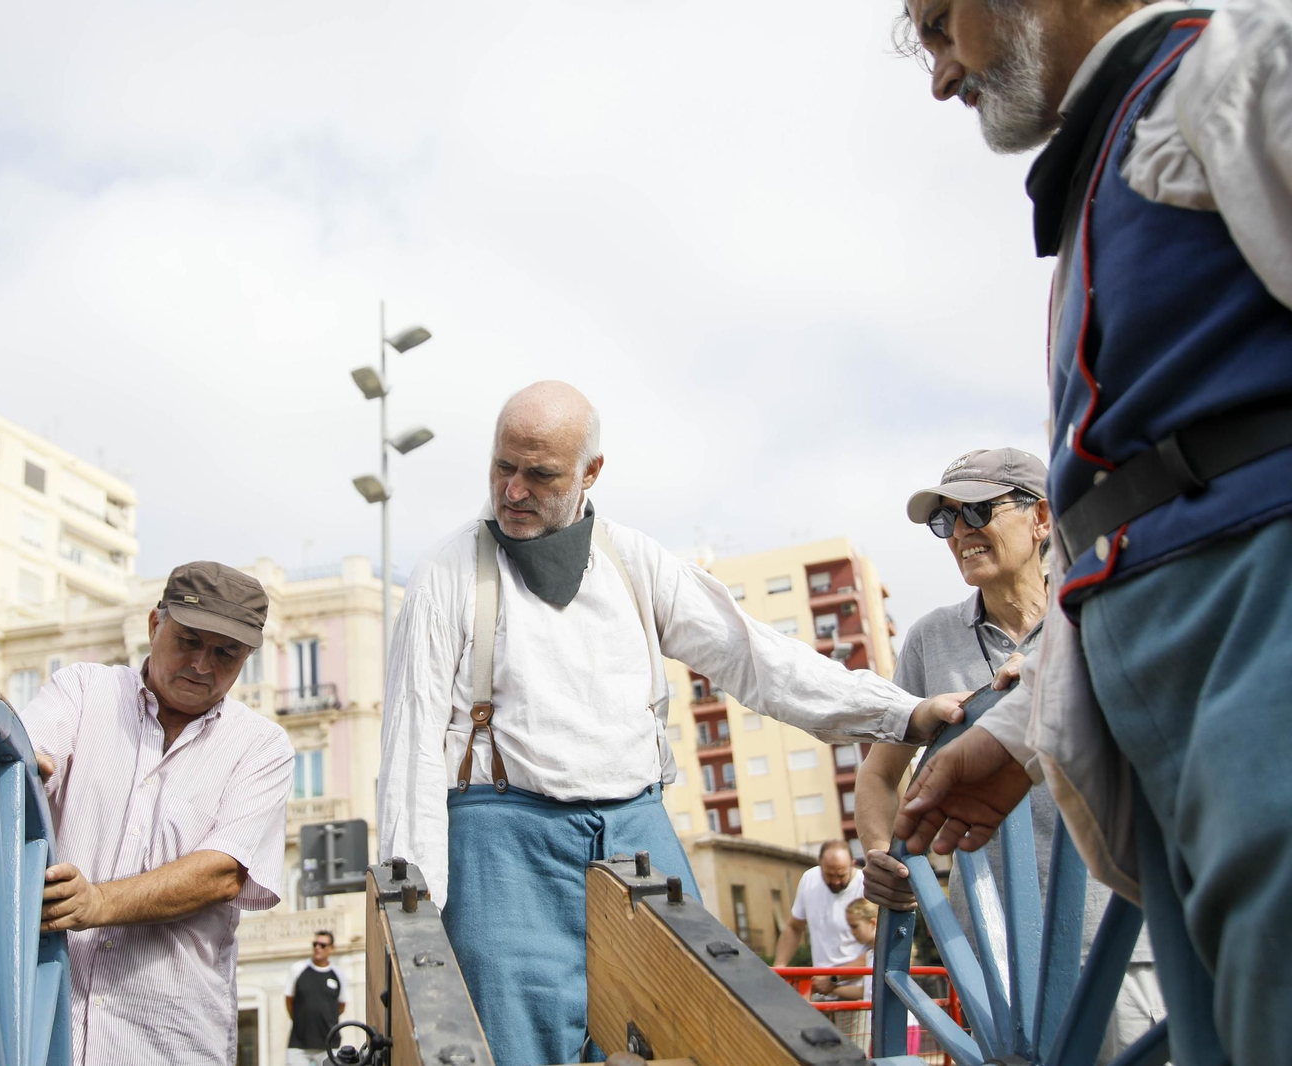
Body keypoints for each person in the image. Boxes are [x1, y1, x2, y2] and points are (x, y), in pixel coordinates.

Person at [892, 2, 1292, 1062]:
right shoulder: (1095, 202)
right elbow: (1118, 526)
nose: (941, 75)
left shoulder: (1245, 66)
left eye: (940, 28)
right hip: (1170, 747)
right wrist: (1023, 740)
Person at [377, 380, 966, 1066]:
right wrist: (412, 919)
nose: (512, 491)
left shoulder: (634, 561)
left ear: (590, 473)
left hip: (636, 832)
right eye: (502, 466)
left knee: (681, 1037)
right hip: (503, 849)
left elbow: (756, 658)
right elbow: (413, 744)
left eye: (539, 474)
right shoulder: (447, 573)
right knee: (517, 1051)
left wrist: (900, 713)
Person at [856, 448, 1163, 1061]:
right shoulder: (929, 640)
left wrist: (1055, 679)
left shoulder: (1097, 610)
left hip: (1121, 934)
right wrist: (879, 855)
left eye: (978, 510)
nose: (961, 532)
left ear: (1041, 517)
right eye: (946, 521)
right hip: (999, 960)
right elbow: (879, 773)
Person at [23, 561, 295, 1066]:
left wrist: (96, 903)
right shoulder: (83, 692)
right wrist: (25, 766)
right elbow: (23, 760)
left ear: (247, 659)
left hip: (170, 1041)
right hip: (45, 1027)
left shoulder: (261, 747)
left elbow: (221, 873)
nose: (202, 665)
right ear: (154, 625)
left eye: (226, 653)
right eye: (189, 640)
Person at [774, 841, 867, 999]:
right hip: (820, 989)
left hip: (856, 991)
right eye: (829, 874)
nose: (836, 881)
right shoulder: (809, 879)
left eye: (841, 875)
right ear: (819, 864)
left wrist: (833, 978)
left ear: (853, 864)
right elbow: (794, 927)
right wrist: (779, 966)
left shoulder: (865, 886)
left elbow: (875, 949)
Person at [284, 929, 347, 1066]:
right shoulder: (298, 969)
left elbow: (341, 1006)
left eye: (322, 945)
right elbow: (289, 1000)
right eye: (315, 944)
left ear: (331, 948)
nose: (318, 948)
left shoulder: (338, 973)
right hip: (299, 1044)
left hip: (329, 1043)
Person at [825, 898, 880, 1002]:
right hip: (874, 1016)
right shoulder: (870, 955)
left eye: (855, 927)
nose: (852, 932)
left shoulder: (887, 955)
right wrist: (830, 989)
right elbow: (863, 992)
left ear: (872, 923)